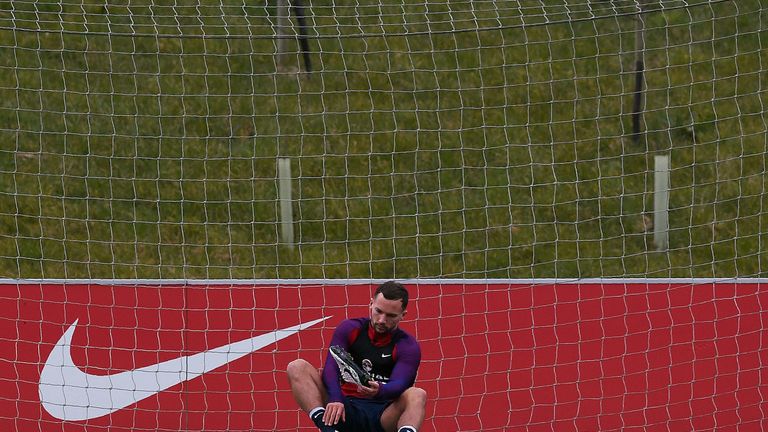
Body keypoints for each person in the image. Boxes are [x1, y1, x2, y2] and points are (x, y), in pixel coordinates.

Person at [287, 281, 426, 432]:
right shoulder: (349, 328)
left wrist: (380, 391)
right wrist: (335, 398)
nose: (381, 320)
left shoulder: (408, 346)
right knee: (297, 366)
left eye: (390, 316)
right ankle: (327, 428)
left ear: (403, 315)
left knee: (418, 394)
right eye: (378, 311)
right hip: (344, 408)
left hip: (382, 416)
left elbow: (401, 384)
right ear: (371, 304)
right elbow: (330, 368)